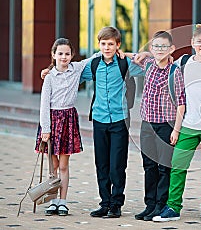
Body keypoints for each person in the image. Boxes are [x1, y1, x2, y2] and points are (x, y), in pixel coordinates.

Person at [150, 24, 201, 222]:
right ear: (192, 43)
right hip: (188, 124)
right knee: (178, 165)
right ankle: (173, 207)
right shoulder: (182, 62)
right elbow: (161, 58)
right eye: (199, 41)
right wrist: (139, 55)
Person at [80, 26, 143, 218]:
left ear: (118, 45)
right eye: (103, 44)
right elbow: (70, 70)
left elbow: (150, 62)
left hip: (119, 120)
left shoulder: (125, 63)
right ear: (99, 45)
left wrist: (132, 54)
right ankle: (105, 203)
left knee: (117, 164)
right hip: (99, 119)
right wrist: (49, 71)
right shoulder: (93, 64)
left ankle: (116, 204)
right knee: (102, 164)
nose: (106, 47)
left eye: (111, 44)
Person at [36, 38, 100, 216]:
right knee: (53, 165)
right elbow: (44, 104)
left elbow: (95, 56)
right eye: (60, 53)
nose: (64, 57)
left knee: (63, 165)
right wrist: (46, 129)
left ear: (72, 55)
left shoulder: (76, 69)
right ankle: (52, 201)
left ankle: (63, 202)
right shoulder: (49, 77)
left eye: (67, 54)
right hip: (51, 120)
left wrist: (120, 52)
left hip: (68, 120)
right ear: (53, 55)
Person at [130, 31, 186, 221]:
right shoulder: (148, 65)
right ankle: (150, 204)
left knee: (164, 167)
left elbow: (181, 102)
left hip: (166, 126)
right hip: (147, 124)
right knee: (149, 165)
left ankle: (162, 205)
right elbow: (135, 57)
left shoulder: (175, 71)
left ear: (171, 49)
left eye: (164, 47)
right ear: (151, 48)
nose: (159, 50)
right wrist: (131, 54)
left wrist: (176, 130)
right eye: (156, 46)